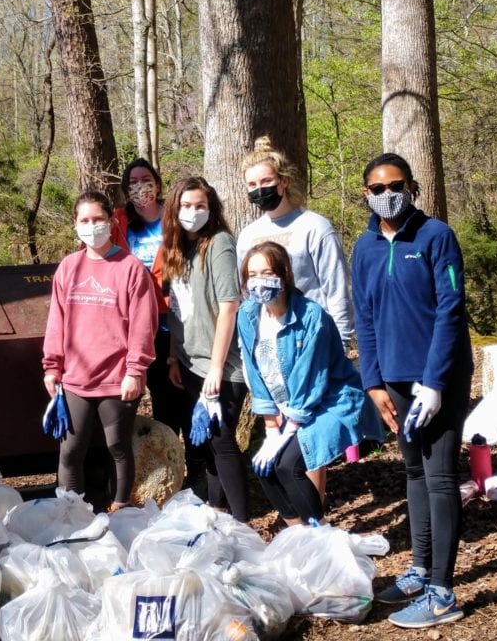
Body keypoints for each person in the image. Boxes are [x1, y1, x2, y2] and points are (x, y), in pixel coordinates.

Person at [351, 153, 472, 629]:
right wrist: (373, 381)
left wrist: (437, 383)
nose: (387, 195)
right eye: (377, 188)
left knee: (439, 476)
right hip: (394, 380)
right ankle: (421, 569)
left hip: (438, 379)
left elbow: (451, 309)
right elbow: (365, 315)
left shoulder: (436, 236)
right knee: (413, 473)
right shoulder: (364, 247)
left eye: (395, 185)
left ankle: (443, 591)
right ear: (366, 193)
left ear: (412, 187)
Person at [237, 135, 369, 505]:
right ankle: (296, 517)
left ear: (283, 181)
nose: (260, 190)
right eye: (252, 185)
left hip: (313, 345)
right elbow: (249, 297)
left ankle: (316, 515)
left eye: (265, 182)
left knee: (308, 435)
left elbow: (336, 288)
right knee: (279, 432)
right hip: (270, 346)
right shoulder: (249, 234)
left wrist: (340, 342)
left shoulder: (314, 226)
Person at [237, 241, 371, 526]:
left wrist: (287, 432)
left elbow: (310, 380)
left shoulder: (312, 317)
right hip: (287, 405)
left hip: (329, 401)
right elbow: (255, 372)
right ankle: (300, 536)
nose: (258, 281)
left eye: (266, 272)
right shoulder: (248, 315)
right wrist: (272, 429)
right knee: (264, 468)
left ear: (284, 274)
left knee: (289, 466)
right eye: (252, 274)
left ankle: (319, 535)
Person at [42, 190, 158, 512]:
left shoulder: (131, 268)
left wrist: (135, 370)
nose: (91, 226)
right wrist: (52, 367)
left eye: (98, 220)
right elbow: (57, 322)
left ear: (110, 222)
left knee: (117, 446)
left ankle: (121, 508)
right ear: (75, 224)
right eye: (84, 220)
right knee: (70, 450)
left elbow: (142, 326)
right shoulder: (68, 267)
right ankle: (71, 511)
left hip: (117, 377)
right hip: (76, 378)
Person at [159, 176, 249, 521]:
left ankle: (242, 523)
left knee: (224, 444)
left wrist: (216, 366)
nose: (193, 212)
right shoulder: (179, 249)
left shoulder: (220, 243)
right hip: (189, 361)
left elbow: (230, 305)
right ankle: (218, 509)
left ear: (211, 209)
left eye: (200, 206)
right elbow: (177, 309)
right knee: (210, 443)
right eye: (186, 205)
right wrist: (172, 355)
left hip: (222, 367)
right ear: (174, 209)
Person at [114, 159, 187, 436]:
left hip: (170, 319)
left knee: (175, 395)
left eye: (145, 179)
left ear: (157, 184)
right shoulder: (118, 222)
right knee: (146, 395)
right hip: (133, 323)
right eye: (132, 182)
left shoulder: (175, 218)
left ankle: (187, 463)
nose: (140, 187)